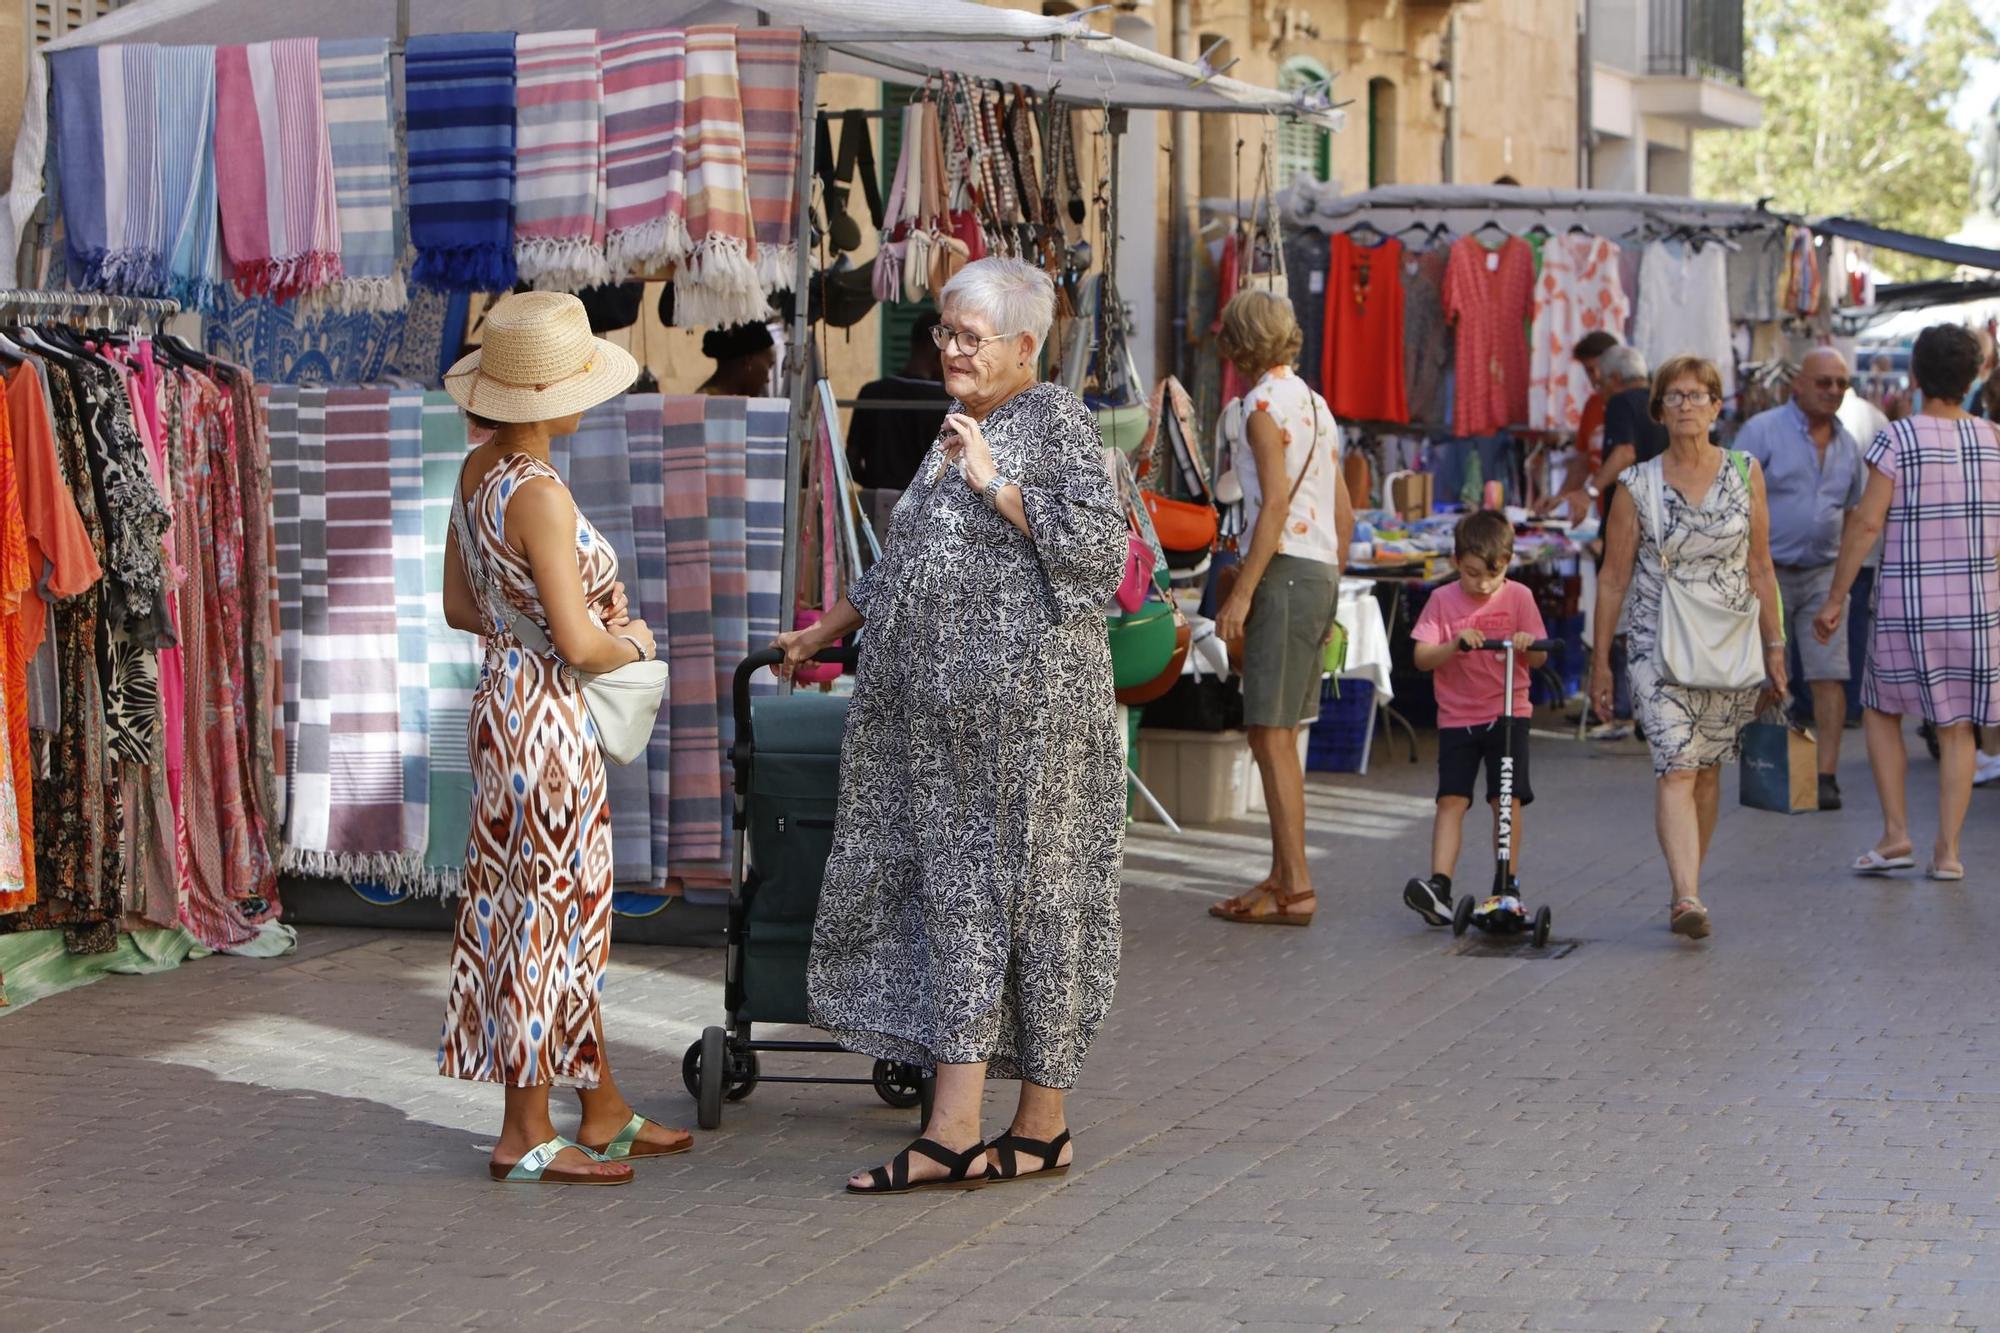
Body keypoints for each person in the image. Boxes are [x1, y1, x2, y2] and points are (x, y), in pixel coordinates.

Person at [770, 257, 1128, 1194]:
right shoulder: (959, 427)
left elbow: (1101, 552)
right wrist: (822, 629)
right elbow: (905, 562)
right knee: (969, 908)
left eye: (970, 336)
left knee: (1037, 909)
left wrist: (996, 483)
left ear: (1024, 344)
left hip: (1030, 729)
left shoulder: (1055, 423)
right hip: (946, 732)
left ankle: (996, 1126)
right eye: (944, 332)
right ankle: (989, 1126)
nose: (951, 350)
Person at [437, 292, 690, 1185]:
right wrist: (635, 642)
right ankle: (525, 1131)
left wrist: (535, 630)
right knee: (551, 913)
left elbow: (461, 605)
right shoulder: (538, 493)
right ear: (545, 394)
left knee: (544, 906)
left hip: (503, 703)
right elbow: (584, 645)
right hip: (546, 715)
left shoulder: (479, 472)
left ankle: (603, 1103)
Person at [1591, 355, 1787, 941]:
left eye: (1697, 395)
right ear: (1658, 409)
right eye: (1673, 397)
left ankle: (1688, 879)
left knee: (1706, 773)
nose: (1685, 405)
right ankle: (1686, 895)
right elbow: (1612, 579)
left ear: (1716, 406)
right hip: (1658, 642)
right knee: (1677, 764)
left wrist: (1774, 644)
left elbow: (1761, 565)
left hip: (1728, 642)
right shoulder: (1636, 485)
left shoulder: (1745, 471)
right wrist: (1600, 661)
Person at [1813, 323, 2000, 882]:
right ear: (1975, 376)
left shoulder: (1896, 440)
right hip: (1977, 608)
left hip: (1906, 607)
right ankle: (1948, 852)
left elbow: (1868, 523)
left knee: (1880, 709)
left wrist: (1836, 596)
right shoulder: (1995, 440)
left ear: (1914, 376)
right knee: (1958, 726)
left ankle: (1896, 834)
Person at [1208, 290, 1356, 929]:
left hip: (1283, 571)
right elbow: (1344, 513)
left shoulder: (1258, 408)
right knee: (1281, 732)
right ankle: (1283, 875)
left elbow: (1270, 507)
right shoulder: (1318, 406)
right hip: (1316, 570)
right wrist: (1333, 589)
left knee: (1269, 732)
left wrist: (1241, 593)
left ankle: (1295, 885)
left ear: (1238, 347)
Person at [1732, 348, 1866, 811]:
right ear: (1798, 384)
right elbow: (1732, 500)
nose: (1833, 391)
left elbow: (1853, 513)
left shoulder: (1850, 444)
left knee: (1830, 676)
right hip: (1765, 572)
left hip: (1823, 575)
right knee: (1766, 675)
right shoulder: (1763, 431)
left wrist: (1842, 586)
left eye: (1840, 384)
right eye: (1824, 382)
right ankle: (1766, 772)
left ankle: (1823, 776)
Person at [1402, 511, 1549, 926]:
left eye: (1493, 574)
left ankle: (1507, 883)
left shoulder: (1519, 597)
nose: (1482, 585)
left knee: (1505, 799)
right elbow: (1421, 656)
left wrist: (1525, 643)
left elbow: (1538, 657)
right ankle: (1439, 886)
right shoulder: (1442, 600)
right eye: (1471, 574)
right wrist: (1454, 645)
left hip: (1508, 713)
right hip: (1458, 717)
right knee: (1451, 798)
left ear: (1508, 563)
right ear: (1455, 562)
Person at [847, 311, 952, 492]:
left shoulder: (871, 393)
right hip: (923, 507)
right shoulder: (948, 403)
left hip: (874, 507)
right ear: (937, 349)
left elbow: (851, 463)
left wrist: (876, 485)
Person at [1536, 330, 1620, 523]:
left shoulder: (1635, 404)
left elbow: (1626, 454)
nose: (1597, 376)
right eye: (1589, 370)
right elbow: (1583, 463)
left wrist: (1589, 491)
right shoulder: (1592, 406)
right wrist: (1559, 497)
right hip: (1605, 516)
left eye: (1600, 368)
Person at [698, 321, 778, 396]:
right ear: (748, 360)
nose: (768, 380)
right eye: (769, 366)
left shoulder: (719, 401)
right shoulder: (709, 405)